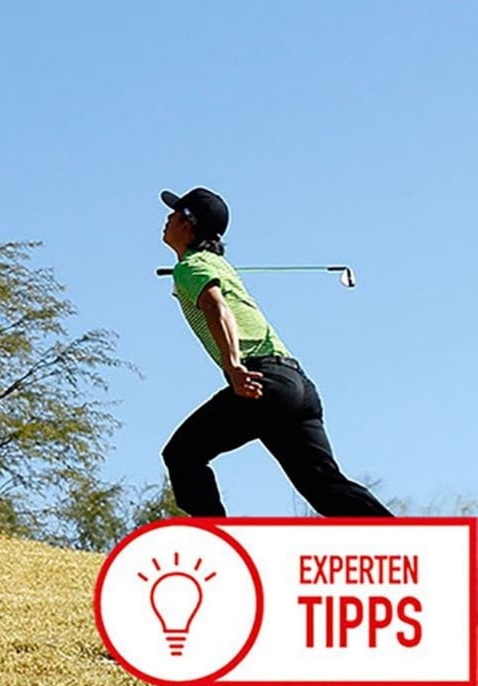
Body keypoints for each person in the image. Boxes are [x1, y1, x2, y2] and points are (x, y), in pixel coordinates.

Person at [158, 187, 393, 517]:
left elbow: (216, 307)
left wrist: (235, 367)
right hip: (296, 385)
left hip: (260, 381)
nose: (167, 218)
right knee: (325, 487)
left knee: (183, 454)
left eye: (174, 212)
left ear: (189, 225)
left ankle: (217, 544)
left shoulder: (193, 266)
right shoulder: (213, 264)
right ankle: (402, 542)